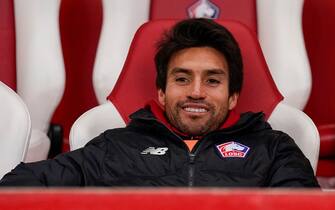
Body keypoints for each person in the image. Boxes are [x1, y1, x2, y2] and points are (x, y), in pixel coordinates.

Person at [0, 18, 319, 187]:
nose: (196, 92)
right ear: (162, 93)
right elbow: (23, 187)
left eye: (212, 80)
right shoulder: (117, 146)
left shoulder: (274, 149)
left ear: (233, 95)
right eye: (182, 79)